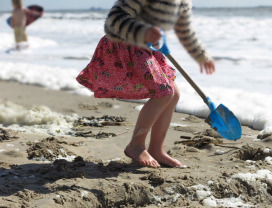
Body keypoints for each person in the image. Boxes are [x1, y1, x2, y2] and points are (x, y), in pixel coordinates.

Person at [76, 0, 216, 168]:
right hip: (126, 45)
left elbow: (184, 30)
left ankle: (157, 149)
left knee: (174, 94)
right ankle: (136, 145)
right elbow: (113, 21)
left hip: (147, 48)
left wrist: (201, 54)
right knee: (164, 92)